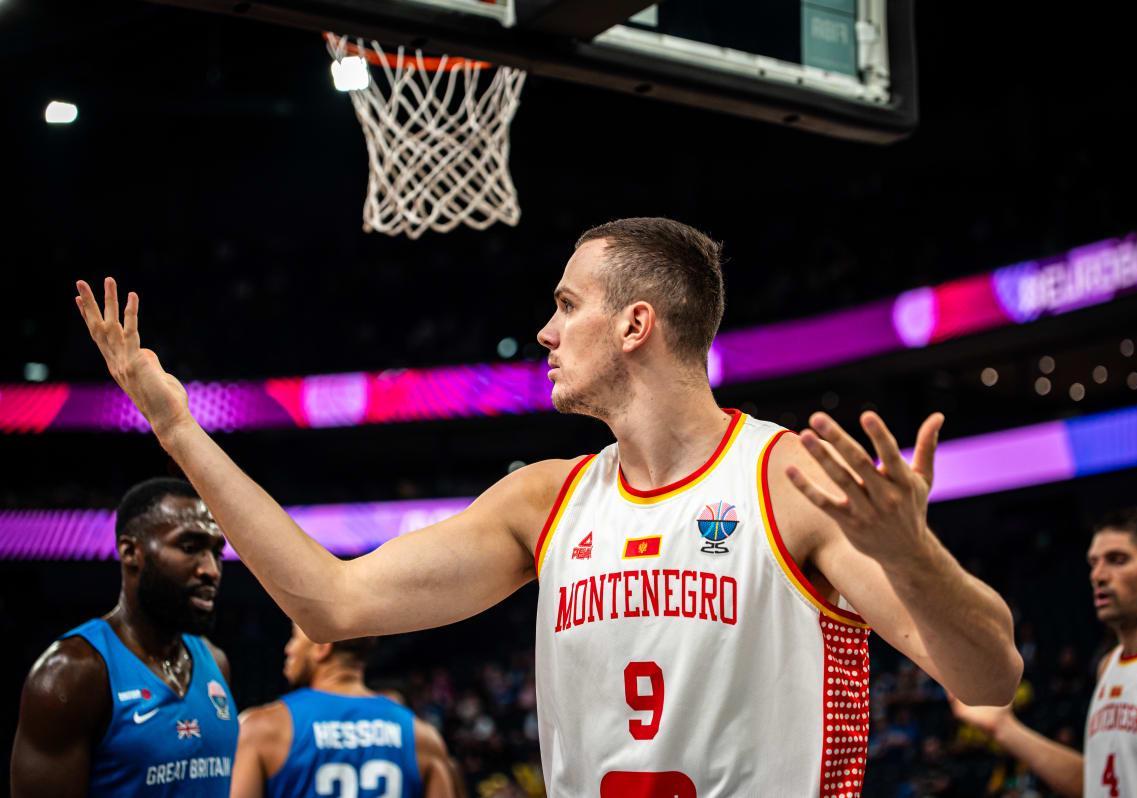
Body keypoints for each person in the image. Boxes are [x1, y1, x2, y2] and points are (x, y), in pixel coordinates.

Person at [75, 217, 1022, 794]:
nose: (544, 331)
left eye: (567, 305)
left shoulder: (786, 480)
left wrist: (914, 556)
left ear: (636, 324)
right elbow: (331, 602)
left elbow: (986, 676)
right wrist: (179, 429)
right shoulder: (545, 500)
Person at [950, 507, 1137, 797]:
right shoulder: (1108, 665)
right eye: (1094, 563)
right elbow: (1095, 784)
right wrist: (1003, 727)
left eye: (1117, 560)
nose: (1098, 575)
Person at [11, 478, 236, 797]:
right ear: (131, 552)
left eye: (217, 553)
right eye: (190, 548)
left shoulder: (215, 662)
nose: (211, 570)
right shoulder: (72, 673)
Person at [230, 623, 459, 798]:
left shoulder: (263, 730)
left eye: (294, 637)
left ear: (322, 647)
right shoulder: (422, 738)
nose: (288, 649)